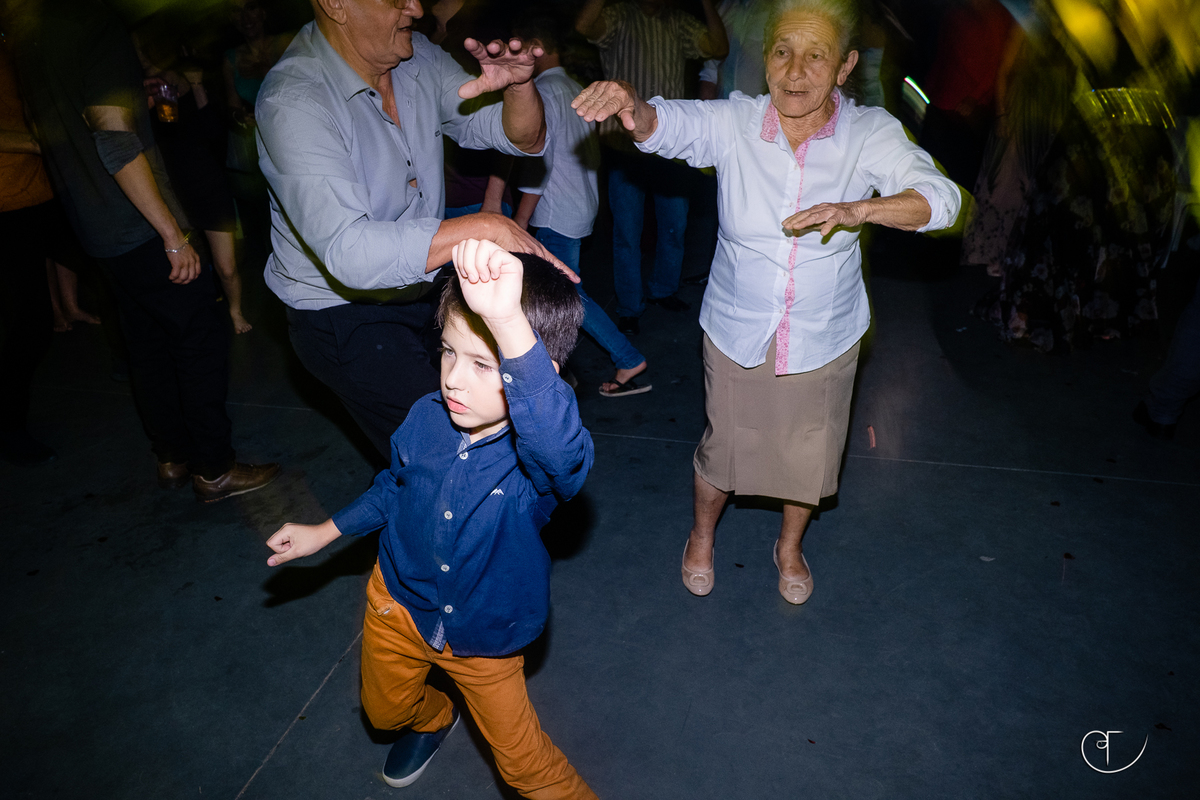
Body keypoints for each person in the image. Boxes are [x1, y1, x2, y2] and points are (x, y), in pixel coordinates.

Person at [573, 0, 960, 603]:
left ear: (844, 66)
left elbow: (942, 199)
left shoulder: (870, 133)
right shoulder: (737, 121)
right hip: (737, 326)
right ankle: (701, 537)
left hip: (824, 332)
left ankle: (789, 546)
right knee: (723, 450)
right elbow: (668, 125)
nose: (796, 70)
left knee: (808, 456)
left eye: (816, 55)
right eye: (783, 51)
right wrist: (633, 105)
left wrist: (858, 210)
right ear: (765, 58)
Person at [265, 238, 597, 798]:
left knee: (524, 765)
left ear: (535, 369)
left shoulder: (536, 462)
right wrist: (323, 532)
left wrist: (509, 320)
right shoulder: (425, 417)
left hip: (486, 636)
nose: (453, 380)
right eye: (448, 352)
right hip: (396, 607)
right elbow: (392, 488)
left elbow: (562, 448)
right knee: (385, 711)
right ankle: (432, 716)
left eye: (483, 363)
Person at [256, 0, 569, 461]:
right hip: (343, 313)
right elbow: (351, 253)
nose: (416, 6)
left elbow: (518, 138)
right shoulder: (295, 98)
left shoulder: (416, 57)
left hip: (421, 290)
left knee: (475, 440)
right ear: (335, 4)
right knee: (449, 459)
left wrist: (519, 89)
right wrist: (484, 225)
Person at [10, 0, 280, 500]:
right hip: (137, 225)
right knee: (199, 337)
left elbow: (52, 129)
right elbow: (113, 140)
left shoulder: (32, 36)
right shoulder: (95, 24)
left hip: (95, 229)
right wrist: (172, 234)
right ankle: (214, 468)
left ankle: (172, 457)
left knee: (147, 345)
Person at [513, 14, 651, 396]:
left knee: (567, 297)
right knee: (563, 294)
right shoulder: (575, 88)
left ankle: (623, 358)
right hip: (579, 206)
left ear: (534, 49)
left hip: (556, 212)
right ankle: (563, 369)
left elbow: (538, 163)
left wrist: (518, 223)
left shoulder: (540, 94)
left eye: (518, 49)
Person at [575, 0, 729, 335]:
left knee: (674, 225)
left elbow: (719, 46)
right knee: (627, 233)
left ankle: (664, 288)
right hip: (623, 144)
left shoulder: (678, 21)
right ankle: (630, 306)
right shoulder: (619, 15)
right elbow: (585, 26)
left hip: (670, 146)